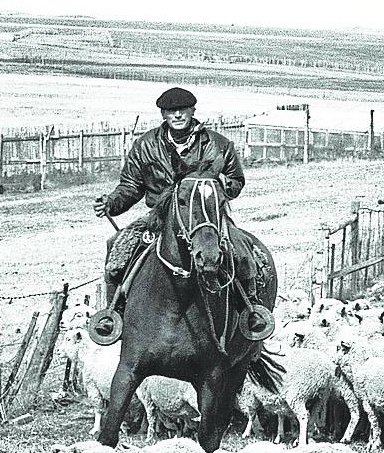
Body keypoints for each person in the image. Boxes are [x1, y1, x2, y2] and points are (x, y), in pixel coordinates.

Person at [93, 86, 265, 312]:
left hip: (207, 217)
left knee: (242, 250)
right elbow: (131, 186)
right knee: (117, 247)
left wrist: (221, 184)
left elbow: (236, 180)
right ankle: (114, 313)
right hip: (160, 218)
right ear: (162, 114)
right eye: (170, 110)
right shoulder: (145, 146)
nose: (177, 115)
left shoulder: (219, 145)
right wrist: (111, 203)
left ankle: (250, 310)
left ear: (193, 110)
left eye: (182, 109)